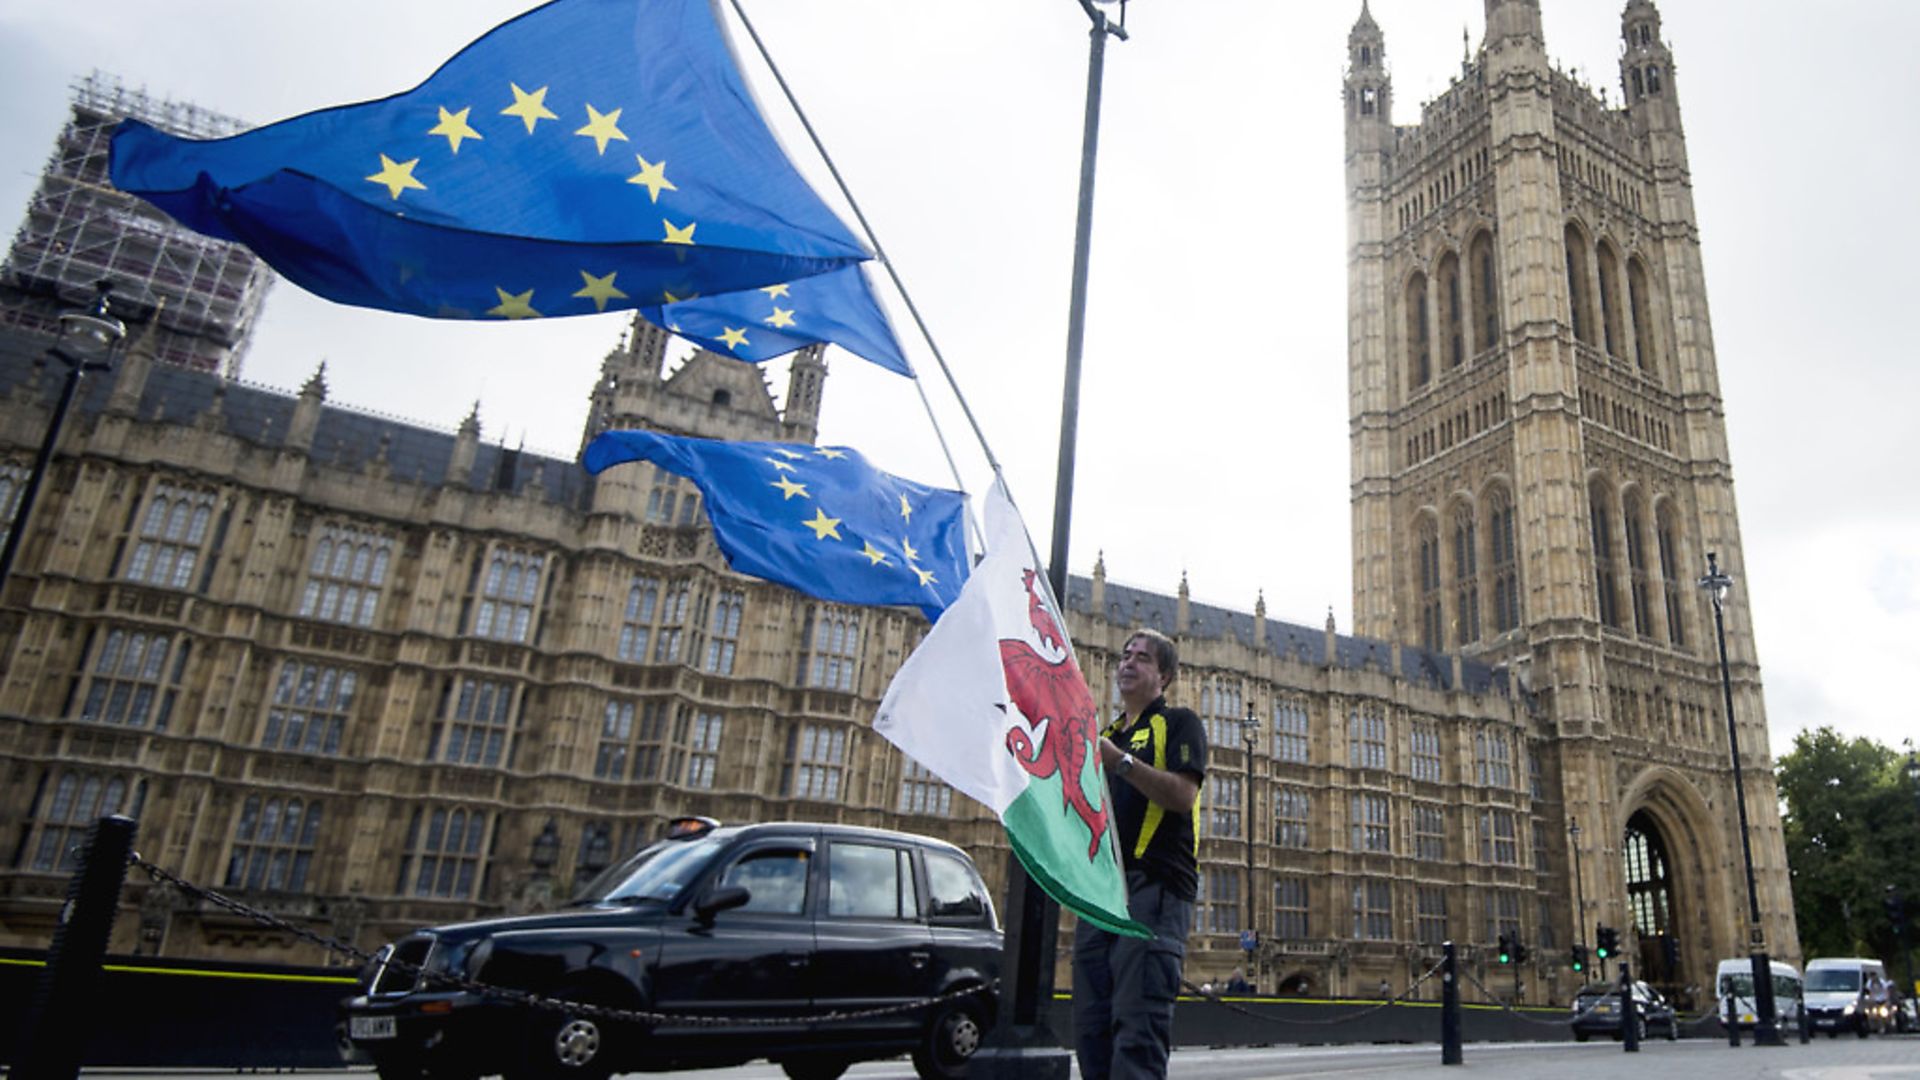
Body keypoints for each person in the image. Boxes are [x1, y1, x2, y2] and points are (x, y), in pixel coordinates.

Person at [1073, 627, 1208, 1080]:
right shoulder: (1107, 733)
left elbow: (1183, 796)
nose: (1128, 662)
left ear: (1164, 675)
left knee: (1137, 1032)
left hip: (1151, 890)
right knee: (1092, 1033)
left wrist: (1120, 762)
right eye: (1124, 654)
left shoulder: (1178, 723)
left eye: (1143, 658)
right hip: (1099, 895)